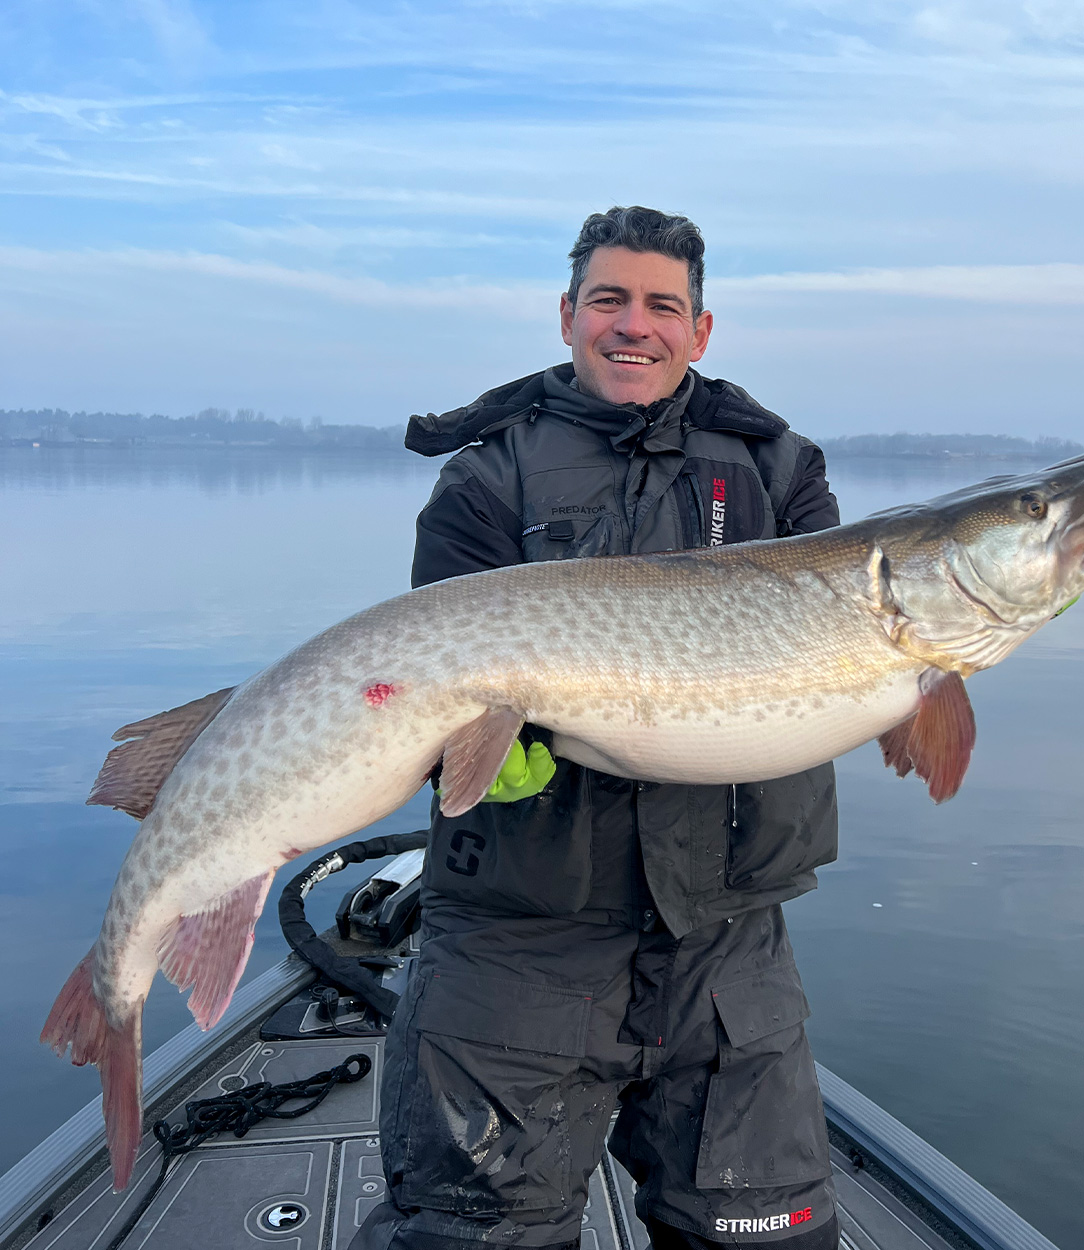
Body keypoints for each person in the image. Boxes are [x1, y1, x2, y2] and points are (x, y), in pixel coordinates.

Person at [354, 206, 842, 1250]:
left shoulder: (777, 467)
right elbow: (435, 679)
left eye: (662, 305)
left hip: (724, 945)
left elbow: (847, 640)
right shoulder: (487, 476)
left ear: (699, 331)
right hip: (519, 944)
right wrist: (476, 751)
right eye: (609, 300)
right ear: (568, 315)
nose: (634, 324)